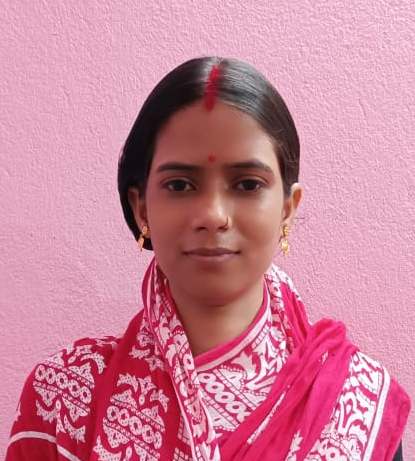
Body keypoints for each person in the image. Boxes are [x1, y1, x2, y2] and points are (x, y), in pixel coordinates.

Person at [5, 57, 410, 461]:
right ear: (141, 208)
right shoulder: (64, 401)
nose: (213, 215)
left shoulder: (355, 405)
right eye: (180, 185)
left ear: (287, 209)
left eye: (247, 184)